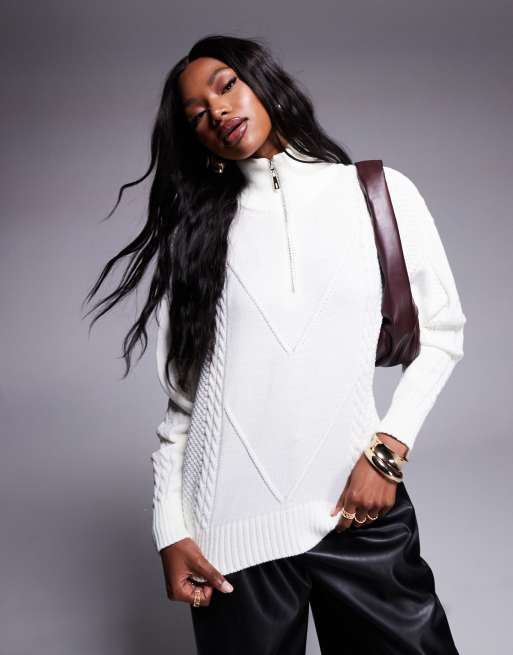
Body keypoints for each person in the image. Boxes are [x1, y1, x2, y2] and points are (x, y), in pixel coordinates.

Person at [86, 34, 466, 655]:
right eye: (197, 115)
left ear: (263, 81)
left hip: (357, 510)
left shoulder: (376, 194)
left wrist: (386, 453)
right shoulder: (197, 238)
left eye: (226, 86)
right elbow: (184, 410)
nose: (217, 111)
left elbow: (443, 332)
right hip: (232, 540)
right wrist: (170, 531)